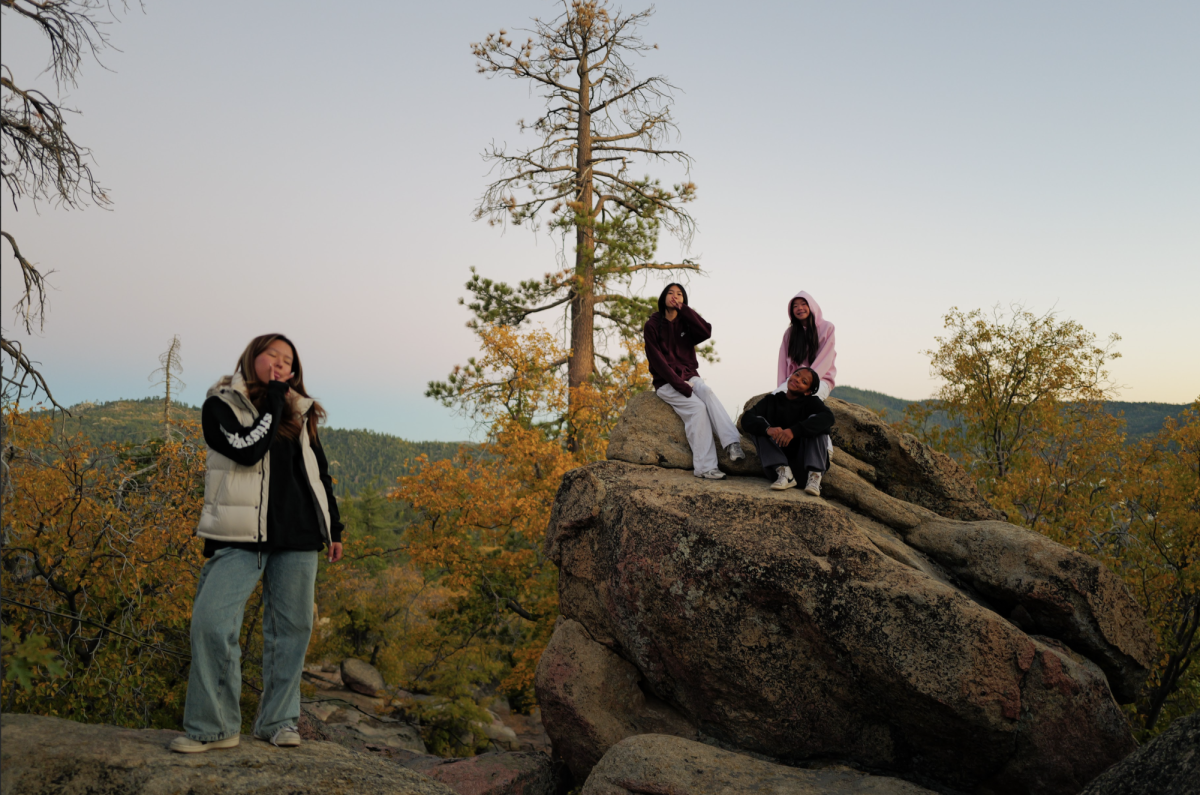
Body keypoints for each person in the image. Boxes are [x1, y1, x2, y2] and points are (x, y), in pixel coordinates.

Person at [169, 334, 344, 754]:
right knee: (211, 623)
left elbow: (318, 474)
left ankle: (278, 722)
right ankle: (214, 728)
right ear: (253, 357)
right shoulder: (221, 406)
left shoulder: (300, 414)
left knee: (292, 632)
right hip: (240, 535)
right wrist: (276, 401)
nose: (281, 365)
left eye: (289, 361)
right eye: (273, 356)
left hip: (298, 535)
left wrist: (333, 527)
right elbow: (248, 451)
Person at [644, 283, 744, 480]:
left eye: (680, 294)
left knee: (706, 391)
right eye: (671, 293)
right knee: (697, 409)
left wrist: (686, 310)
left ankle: (732, 443)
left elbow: (706, 331)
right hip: (666, 382)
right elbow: (658, 362)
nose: (675, 296)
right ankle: (705, 468)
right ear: (663, 297)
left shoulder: (685, 322)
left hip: (690, 375)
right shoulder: (652, 325)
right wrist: (681, 386)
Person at [741, 367, 835, 495]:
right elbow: (747, 418)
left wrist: (793, 431)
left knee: (818, 421)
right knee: (758, 424)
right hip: (777, 472)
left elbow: (829, 418)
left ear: (808, 391)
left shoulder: (811, 402)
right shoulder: (771, 400)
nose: (797, 380)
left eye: (804, 381)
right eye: (796, 375)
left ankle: (815, 476)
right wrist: (768, 429)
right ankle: (784, 472)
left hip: (804, 470)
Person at [776, 291, 836, 400]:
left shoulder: (827, 328)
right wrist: (781, 386)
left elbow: (825, 359)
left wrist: (807, 381)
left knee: (803, 401)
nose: (799, 308)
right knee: (775, 399)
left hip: (820, 380)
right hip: (795, 380)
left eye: (803, 304)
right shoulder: (790, 333)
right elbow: (782, 363)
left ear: (811, 306)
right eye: (795, 306)